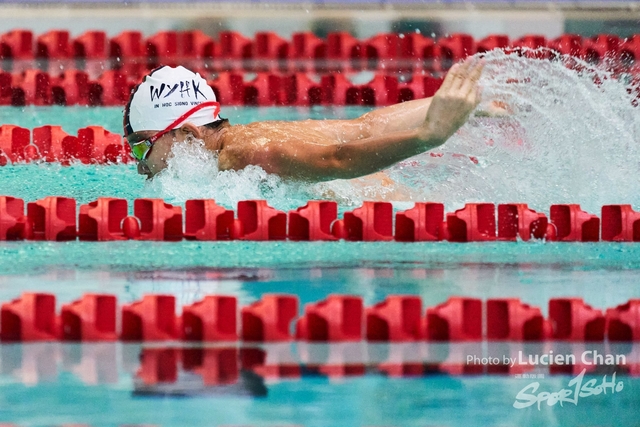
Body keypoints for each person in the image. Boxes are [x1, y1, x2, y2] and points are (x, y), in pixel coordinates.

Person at [124, 61, 489, 182]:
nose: (140, 166)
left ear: (188, 133)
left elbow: (337, 159)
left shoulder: (245, 154)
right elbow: (366, 127)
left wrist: (430, 135)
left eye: (141, 146)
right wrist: (469, 102)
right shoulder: (251, 135)